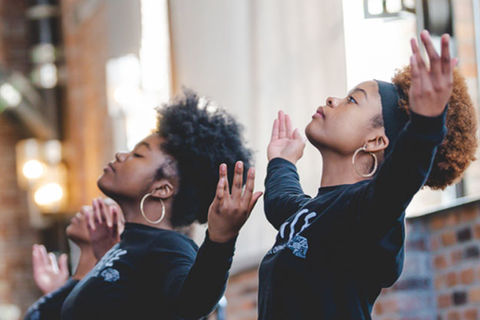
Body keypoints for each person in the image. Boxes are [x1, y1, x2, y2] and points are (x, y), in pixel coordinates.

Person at [258, 31, 477, 319]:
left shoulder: (368, 214)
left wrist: (426, 125)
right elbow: (280, 202)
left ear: (376, 141)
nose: (333, 100)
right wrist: (282, 161)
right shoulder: (310, 214)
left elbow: (397, 184)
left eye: (352, 100)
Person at [61, 91, 262, 319]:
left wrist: (220, 241)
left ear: (162, 189)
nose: (120, 155)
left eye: (137, 155)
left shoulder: (168, 247)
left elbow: (194, 302)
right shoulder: (130, 245)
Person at [25, 199, 123, 320]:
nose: (83, 209)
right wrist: (53, 293)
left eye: (99, 209)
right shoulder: (71, 290)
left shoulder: (107, 293)